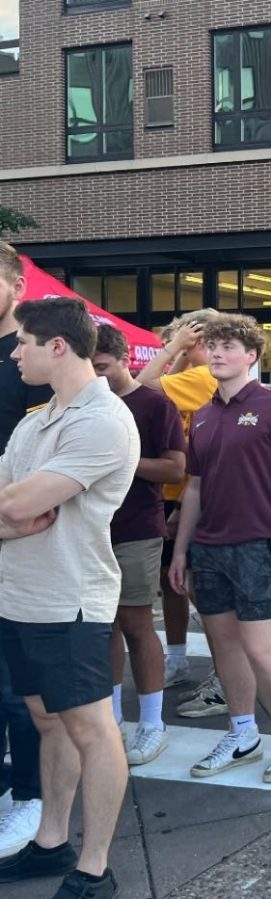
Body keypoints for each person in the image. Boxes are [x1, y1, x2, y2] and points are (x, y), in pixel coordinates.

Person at [0, 297, 138, 897]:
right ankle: (52, 844)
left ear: (58, 345)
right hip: (19, 595)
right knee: (45, 720)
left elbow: (14, 503)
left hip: (70, 600)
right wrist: (15, 517)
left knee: (91, 729)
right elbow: (13, 506)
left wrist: (15, 513)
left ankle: (94, 869)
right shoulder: (36, 420)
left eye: (22, 341)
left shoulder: (101, 420)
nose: (13, 352)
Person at [167, 314, 271, 785]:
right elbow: (194, 488)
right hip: (209, 546)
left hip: (258, 544)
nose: (217, 353)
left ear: (252, 355)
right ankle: (244, 732)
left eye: (228, 346)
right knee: (223, 647)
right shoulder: (205, 415)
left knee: (260, 647)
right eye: (212, 346)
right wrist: (181, 551)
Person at [92, 326, 186, 768]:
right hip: (91, 529)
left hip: (136, 527)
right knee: (103, 626)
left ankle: (152, 723)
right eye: (90, 368)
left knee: (134, 623)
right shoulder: (86, 402)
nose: (97, 376)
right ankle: (111, 719)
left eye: (103, 367)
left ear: (125, 358)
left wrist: (122, 461)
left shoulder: (154, 404)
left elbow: (174, 469)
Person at [136, 308, 220, 699]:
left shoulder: (203, 377)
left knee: (200, 588)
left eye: (186, 345)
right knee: (171, 581)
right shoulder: (189, 377)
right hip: (177, 495)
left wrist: (175, 347)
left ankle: (222, 671)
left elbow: (143, 385)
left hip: (198, 496)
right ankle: (178, 656)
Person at [0, 244, 52, 862]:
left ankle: (32, 796)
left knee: (20, 688)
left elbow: (43, 465)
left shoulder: (30, 361)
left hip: (23, 540)